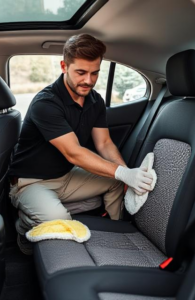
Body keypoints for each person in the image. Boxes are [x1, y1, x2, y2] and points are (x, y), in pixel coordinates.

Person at [9, 34, 154, 254]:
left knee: (115, 182)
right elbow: (74, 153)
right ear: (64, 66)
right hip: (31, 182)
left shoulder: (95, 101)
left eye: (94, 73)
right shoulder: (46, 103)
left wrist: (125, 175)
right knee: (61, 222)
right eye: (81, 72)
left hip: (67, 177)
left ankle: (118, 233)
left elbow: (104, 143)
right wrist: (123, 173)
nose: (88, 80)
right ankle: (24, 225)